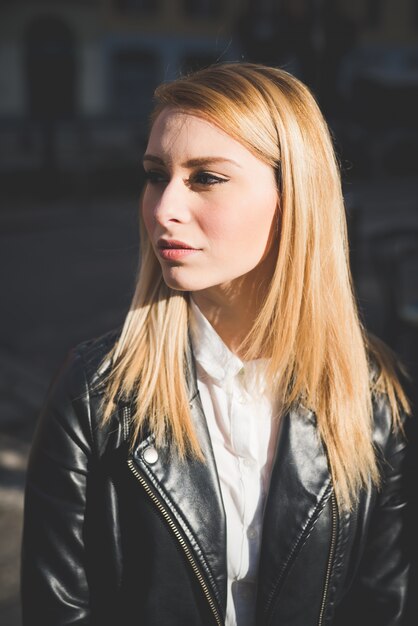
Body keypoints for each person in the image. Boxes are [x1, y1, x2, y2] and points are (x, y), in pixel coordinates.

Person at [21, 63, 412, 626]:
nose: (163, 209)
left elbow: (385, 606)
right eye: (157, 175)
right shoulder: (94, 393)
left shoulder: (376, 397)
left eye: (205, 177)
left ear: (294, 196)